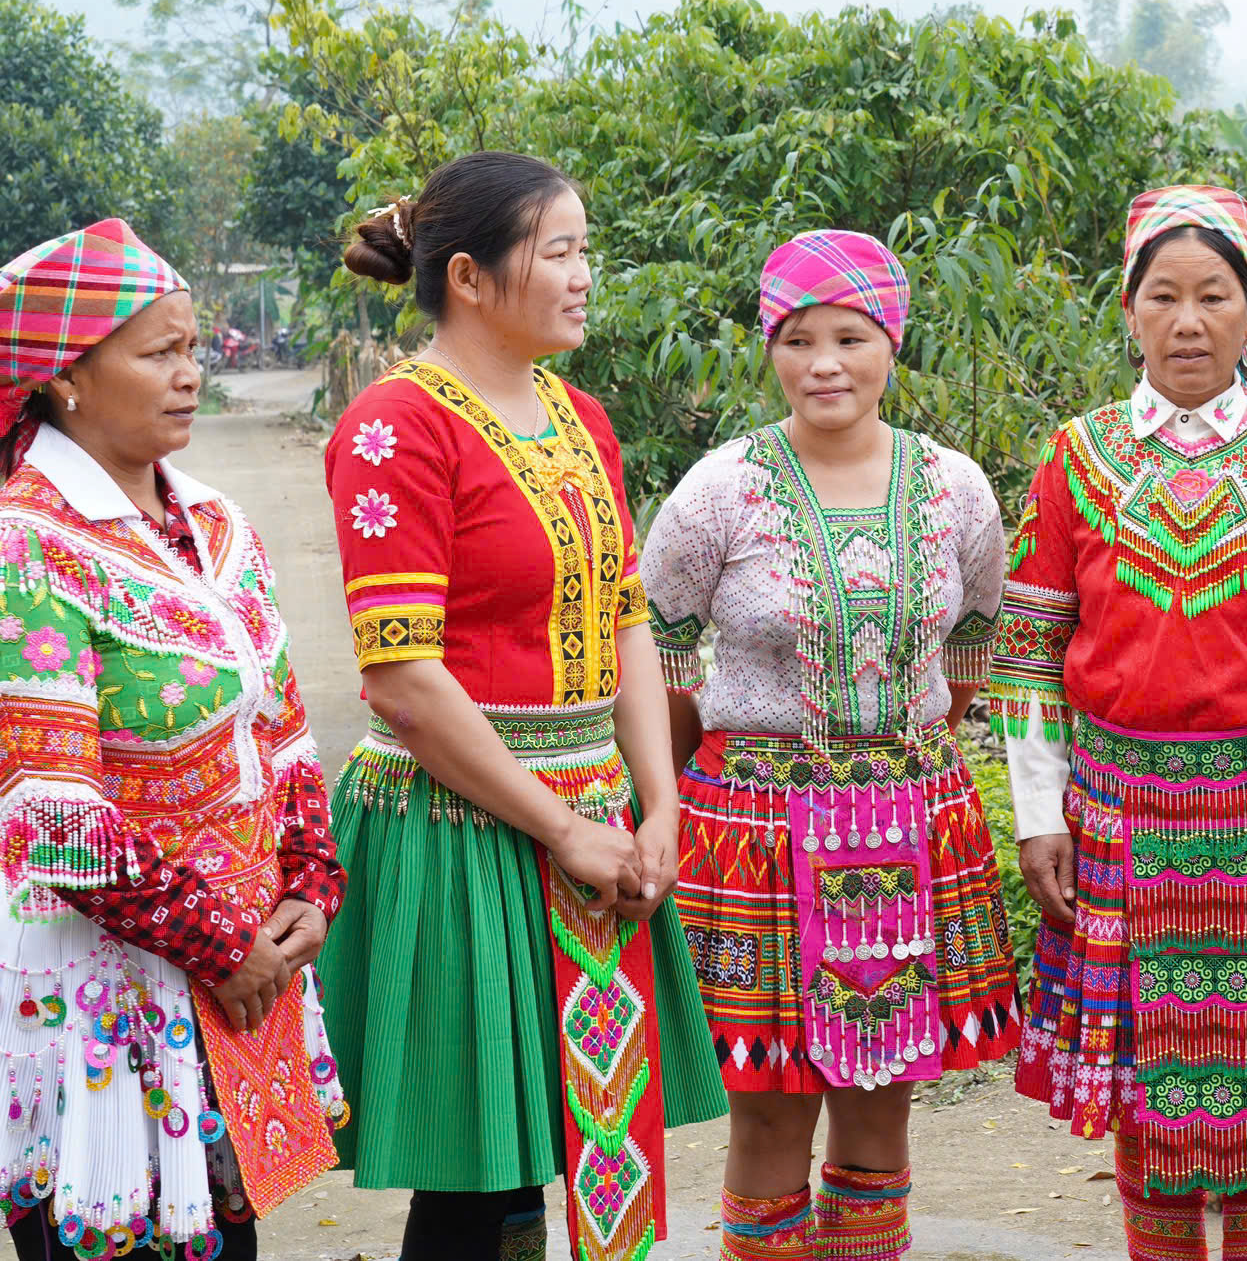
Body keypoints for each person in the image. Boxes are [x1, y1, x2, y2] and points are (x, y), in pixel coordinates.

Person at [316, 153, 725, 1261]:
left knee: (578, 1138)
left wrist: (659, 808)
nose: (586, 274)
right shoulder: (395, 428)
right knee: (474, 1173)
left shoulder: (579, 416)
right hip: (460, 826)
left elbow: (626, 617)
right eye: (561, 251)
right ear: (470, 276)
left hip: (597, 820)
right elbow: (403, 678)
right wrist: (563, 827)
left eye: (585, 248)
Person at [994, 185, 1247, 1261]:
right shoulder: (1074, 460)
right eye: (1161, 294)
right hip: (1117, 813)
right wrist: (1040, 814)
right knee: (1144, 1110)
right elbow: (1028, 652)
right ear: (1126, 310)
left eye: (1212, 294)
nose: (1186, 320)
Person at [641, 230, 1019, 1261]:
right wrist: (674, 798)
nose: (824, 362)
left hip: (909, 823)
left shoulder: (956, 489)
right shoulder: (719, 490)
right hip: (751, 836)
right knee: (765, 1109)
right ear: (770, 347)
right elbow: (657, 643)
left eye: (850, 335)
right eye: (798, 337)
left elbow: (977, 634)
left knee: (879, 1105)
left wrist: (919, 749)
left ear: (891, 342)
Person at [0, 219, 344, 1260]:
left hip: (237, 975)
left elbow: (285, 734)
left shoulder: (217, 520)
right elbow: (53, 816)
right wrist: (218, 941)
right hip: (104, 989)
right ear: (65, 376)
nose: (191, 373)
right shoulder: (27, 541)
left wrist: (308, 889)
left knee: (225, 1243)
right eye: (159, 352)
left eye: (193, 347)